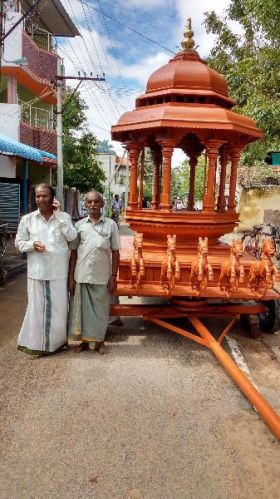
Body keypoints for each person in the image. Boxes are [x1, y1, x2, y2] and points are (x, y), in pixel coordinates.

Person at [15, 183, 77, 356]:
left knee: (58, 310)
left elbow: (72, 237)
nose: (41, 199)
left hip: (58, 273)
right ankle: (37, 345)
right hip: (37, 272)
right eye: (38, 196)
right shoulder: (28, 219)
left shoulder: (63, 217)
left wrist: (59, 216)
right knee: (36, 310)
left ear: (52, 198)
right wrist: (32, 245)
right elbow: (19, 243)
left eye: (44, 196)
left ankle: (57, 344)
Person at [68, 190, 120, 355]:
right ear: (85, 205)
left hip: (102, 276)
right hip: (82, 274)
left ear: (102, 204)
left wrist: (113, 276)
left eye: (96, 202)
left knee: (100, 310)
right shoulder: (79, 225)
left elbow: (116, 252)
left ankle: (100, 342)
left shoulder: (110, 224)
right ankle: (84, 342)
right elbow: (74, 252)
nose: (92, 205)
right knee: (82, 311)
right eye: (89, 202)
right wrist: (71, 278)